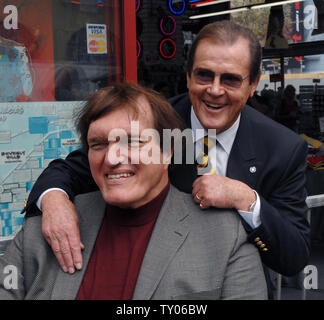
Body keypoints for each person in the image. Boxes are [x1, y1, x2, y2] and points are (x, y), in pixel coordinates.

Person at [23, 21, 310, 280]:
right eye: (204, 75)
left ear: (253, 85)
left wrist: (247, 200)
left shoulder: (281, 148)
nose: (215, 89)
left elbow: (293, 256)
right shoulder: (153, 123)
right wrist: (55, 203)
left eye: (231, 79)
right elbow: (68, 171)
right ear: (187, 77)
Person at [0, 83, 267, 299]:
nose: (113, 157)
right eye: (98, 144)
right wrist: (53, 198)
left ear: (168, 152)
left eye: (133, 141)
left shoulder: (224, 237)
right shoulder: (41, 234)